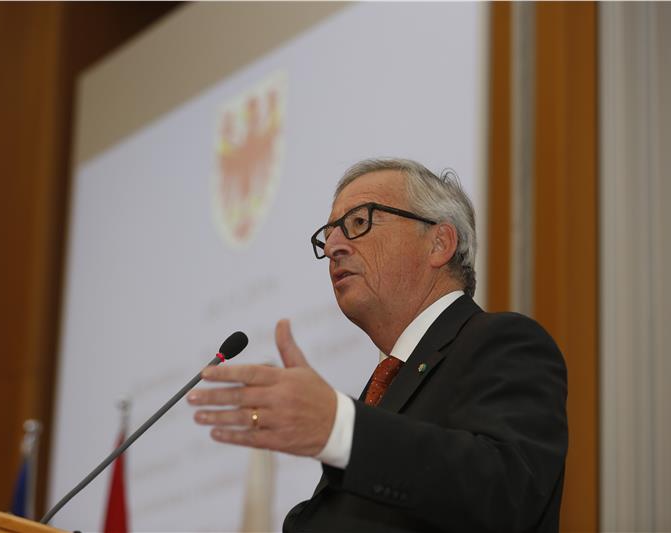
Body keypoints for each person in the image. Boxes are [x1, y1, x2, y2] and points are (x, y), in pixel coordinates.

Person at [187, 158, 568, 532]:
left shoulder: (503, 341)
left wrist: (339, 428)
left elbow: (508, 493)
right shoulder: (382, 388)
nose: (333, 247)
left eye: (358, 222)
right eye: (328, 235)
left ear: (439, 243)